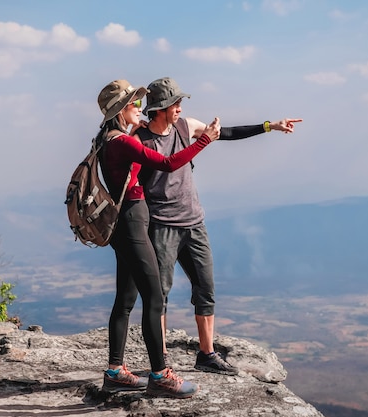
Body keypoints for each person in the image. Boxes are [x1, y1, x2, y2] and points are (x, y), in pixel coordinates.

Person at [134, 77, 302, 375]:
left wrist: (269, 125)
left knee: (206, 288)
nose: (180, 107)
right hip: (161, 226)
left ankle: (207, 354)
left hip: (194, 222)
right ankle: (161, 361)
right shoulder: (141, 140)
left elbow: (228, 133)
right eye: (175, 103)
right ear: (159, 109)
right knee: (159, 295)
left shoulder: (186, 126)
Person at [95, 79, 221, 398]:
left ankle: (114, 371)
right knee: (154, 297)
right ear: (121, 111)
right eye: (134, 104)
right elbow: (168, 163)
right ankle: (160, 375)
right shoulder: (122, 142)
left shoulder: (105, 139)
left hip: (121, 226)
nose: (140, 108)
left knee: (124, 301)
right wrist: (204, 140)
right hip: (133, 223)